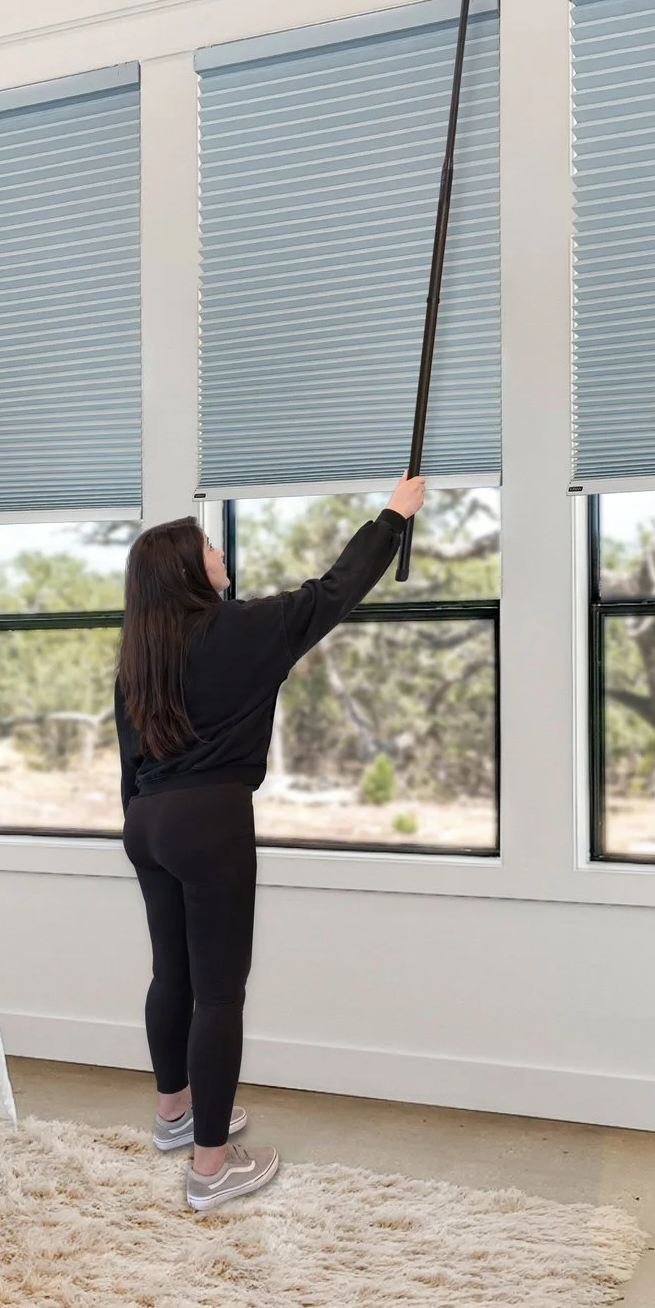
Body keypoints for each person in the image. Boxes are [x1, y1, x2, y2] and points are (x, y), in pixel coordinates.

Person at [113, 475, 427, 1212]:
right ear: (192, 571)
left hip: (146, 825)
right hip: (210, 822)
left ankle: (175, 1117)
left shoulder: (141, 653)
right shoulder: (244, 630)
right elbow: (333, 591)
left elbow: (129, 761)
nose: (219, 553)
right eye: (209, 547)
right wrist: (391, 516)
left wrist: (145, 827)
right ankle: (213, 1168)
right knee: (220, 994)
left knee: (172, 976)